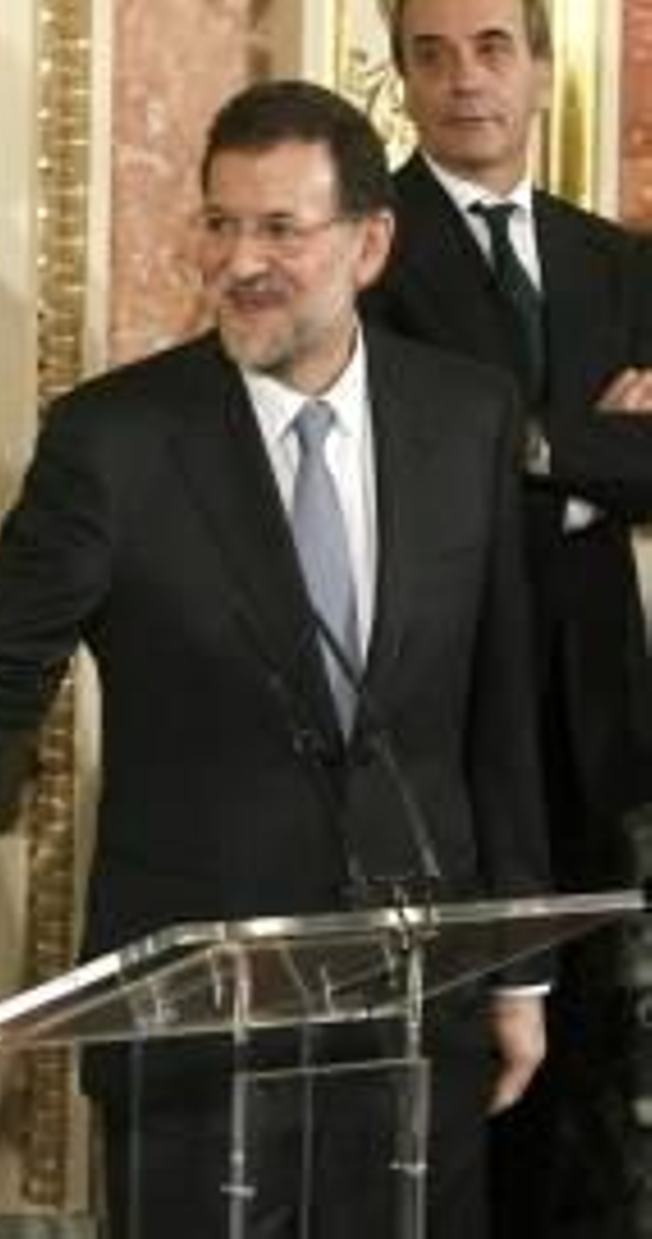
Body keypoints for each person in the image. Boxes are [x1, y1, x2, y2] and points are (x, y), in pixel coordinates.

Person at [0, 80, 553, 1237]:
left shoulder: (465, 415)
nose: (238, 260)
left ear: (369, 245)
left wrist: (518, 973)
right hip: (194, 1027)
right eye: (219, 223)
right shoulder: (115, 439)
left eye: (279, 230)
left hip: (416, 1002)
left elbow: (496, 709)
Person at [361, 2, 652, 1233]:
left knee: (596, 1076)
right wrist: (588, 446)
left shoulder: (617, 259)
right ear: (403, 76)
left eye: (490, 48)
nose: (461, 80)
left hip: (601, 722)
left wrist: (522, 445)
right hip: (443, 719)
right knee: (456, 1076)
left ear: (540, 68)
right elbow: (403, 461)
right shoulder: (363, 241)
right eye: (430, 54)